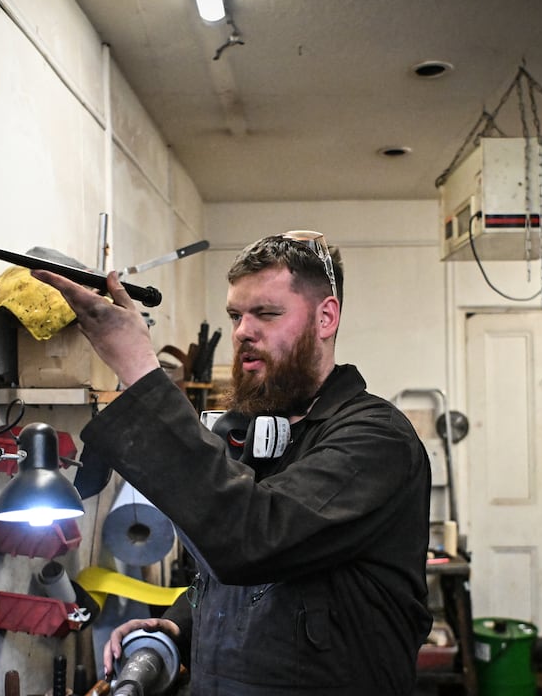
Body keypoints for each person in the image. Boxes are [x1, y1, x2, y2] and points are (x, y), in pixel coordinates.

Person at [32, 231, 432, 695]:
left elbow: (250, 542)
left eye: (266, 313)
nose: (243, 331)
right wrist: (180, 625)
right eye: (236, 316)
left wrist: (141, 370)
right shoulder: (263, 432)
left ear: (326, 317)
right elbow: (244, 584)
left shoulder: (375, 440)